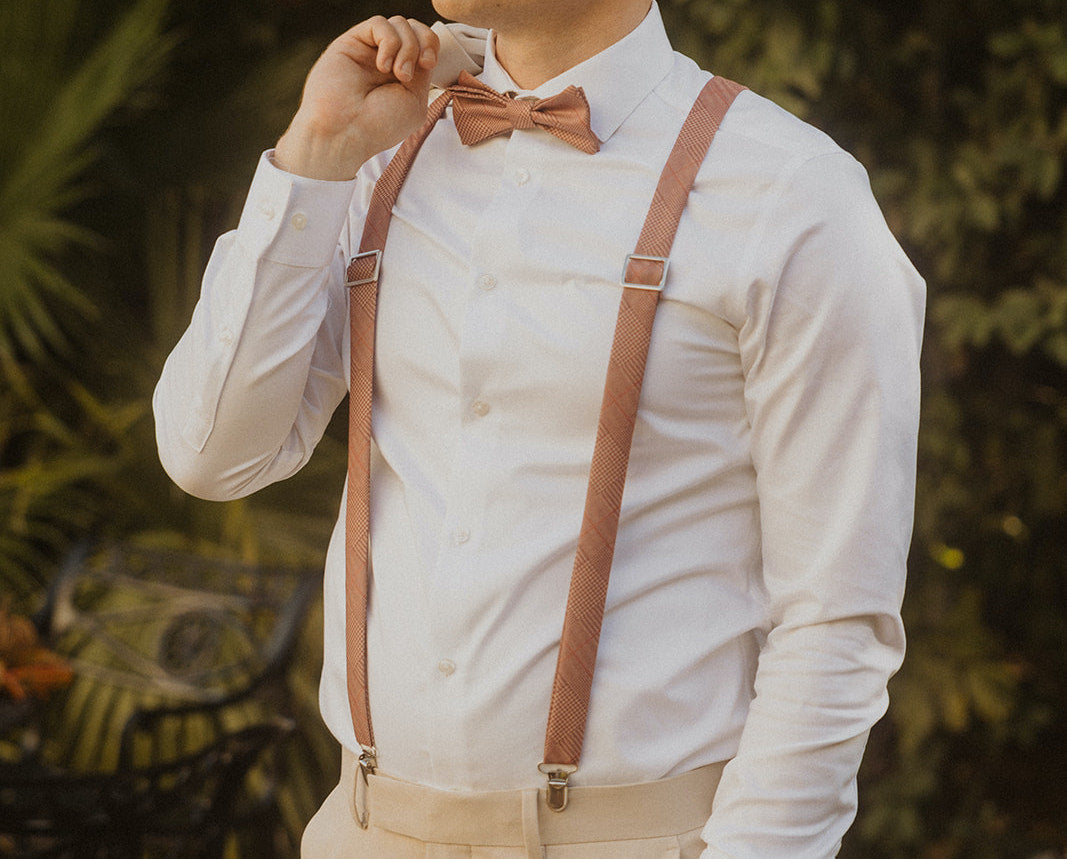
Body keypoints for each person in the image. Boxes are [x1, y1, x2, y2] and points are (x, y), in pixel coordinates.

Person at [153, 0, 925, 855]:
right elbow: (213, 454)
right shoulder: (380, 155)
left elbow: (835, 613)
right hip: (364, 827)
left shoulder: (789, 193)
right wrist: (315, 157)